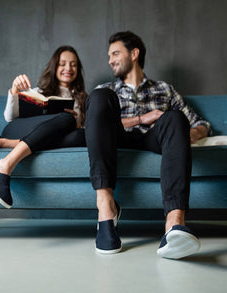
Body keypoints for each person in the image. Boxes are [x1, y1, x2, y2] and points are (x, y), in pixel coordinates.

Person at [86, 31, 211, 259]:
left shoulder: (165, 89)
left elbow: (201, 123)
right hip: (119, 137)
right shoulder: (109, 90)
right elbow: (92, 128)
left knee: (175, 118)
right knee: (98, 96)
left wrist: (186, 134)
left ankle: (174, 226)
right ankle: (106, 210)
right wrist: (140, 119)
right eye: (109, 55)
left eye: (115, 53)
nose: (110, 60)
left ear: (134, 54)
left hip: (153, 139)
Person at [0, 46, 87, 208]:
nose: (68, 69)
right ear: (54, 67)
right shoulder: (38, 91)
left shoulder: (83, 100)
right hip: (18, 129)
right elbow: (9, 118)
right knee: (67, 119)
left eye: (73, 64)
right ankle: (4, 166)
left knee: (79, 135)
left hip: (52, 138)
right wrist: (15, 89)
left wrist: (76, 122)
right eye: (62, 64)